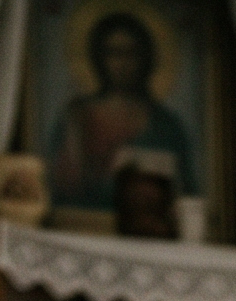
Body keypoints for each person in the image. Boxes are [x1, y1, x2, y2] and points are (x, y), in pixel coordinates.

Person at [48, 9, 196, 215]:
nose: (123, 63)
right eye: (114, 53)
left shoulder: (166, 124)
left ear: (145, 58)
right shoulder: (75, 118)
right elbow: (57, 186)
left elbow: (186, 190)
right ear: (99, 57)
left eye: (131, 53)